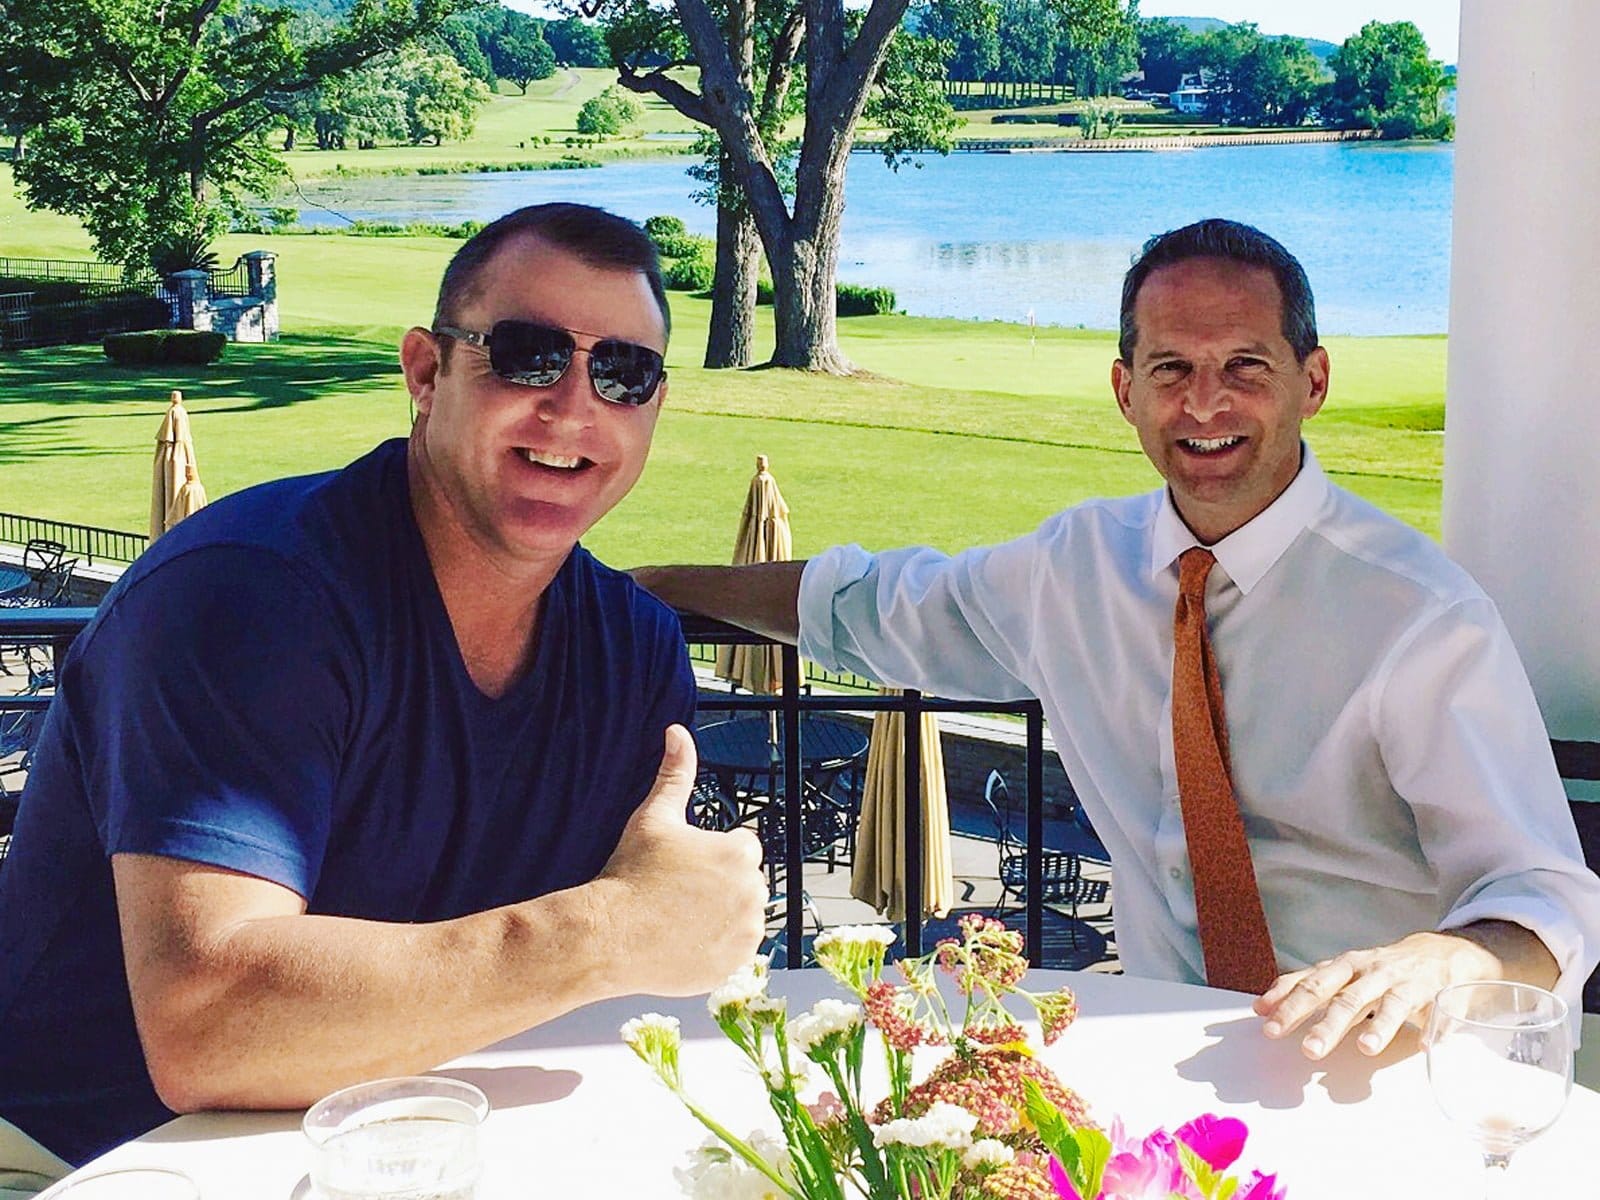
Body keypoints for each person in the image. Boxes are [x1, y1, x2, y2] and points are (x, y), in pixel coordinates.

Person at [637, 218, 1600, 1063]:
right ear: (1124, 388)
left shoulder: (1420, 616)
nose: (1206, 403)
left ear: (1313, 381)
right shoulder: (1076, 566)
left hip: (1373, 1062)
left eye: (1246, 368)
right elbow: (871, 602)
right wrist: (644, 589)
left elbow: (1545, 890)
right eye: (1171, 368)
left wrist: (1453, 958)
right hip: (1159, 1048)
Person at [0, 203, 767, 1182]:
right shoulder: (251, 595)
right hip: (82, 1162)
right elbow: (208, 1028)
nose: (574, 409)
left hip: (406, 1139)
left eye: (623, 373)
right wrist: (608, 932)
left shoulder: (633, 653)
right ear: (425, 372)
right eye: (528, 355)